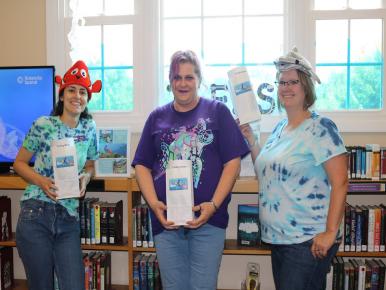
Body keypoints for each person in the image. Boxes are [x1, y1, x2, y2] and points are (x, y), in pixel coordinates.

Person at [132, 50, 249, 290]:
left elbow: (233, 163)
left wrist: (214, 205)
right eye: (177, 77)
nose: (182, 83)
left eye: (189, 77)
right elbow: (141, 165)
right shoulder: (156, 117)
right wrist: (154, 204)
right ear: (170, 81)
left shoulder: (218, 112)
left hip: (209, 221)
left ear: (199, 80)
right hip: (167, 223)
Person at [240, 47, 348, 290]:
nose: (286, 87)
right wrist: (252, 140)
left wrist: (330, 232)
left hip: (307, 241)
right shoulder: (280, 129)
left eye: (293, 82)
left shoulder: (321, 128)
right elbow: (264, 173)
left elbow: (341, 182)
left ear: (306, 87)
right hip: (279, 240)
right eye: (282, 82)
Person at [13, 60, 101, 290]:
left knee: (73, 285)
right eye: (71, 90)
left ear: (87, 99)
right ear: (62, 95)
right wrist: (41, 181)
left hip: (68, 215)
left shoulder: (90, 127)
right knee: (41, 285)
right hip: (36, 212)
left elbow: (91, 165)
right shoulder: (43, 124)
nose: (77, 96)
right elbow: (19, 163)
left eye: (83, 92)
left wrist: (86, 177)